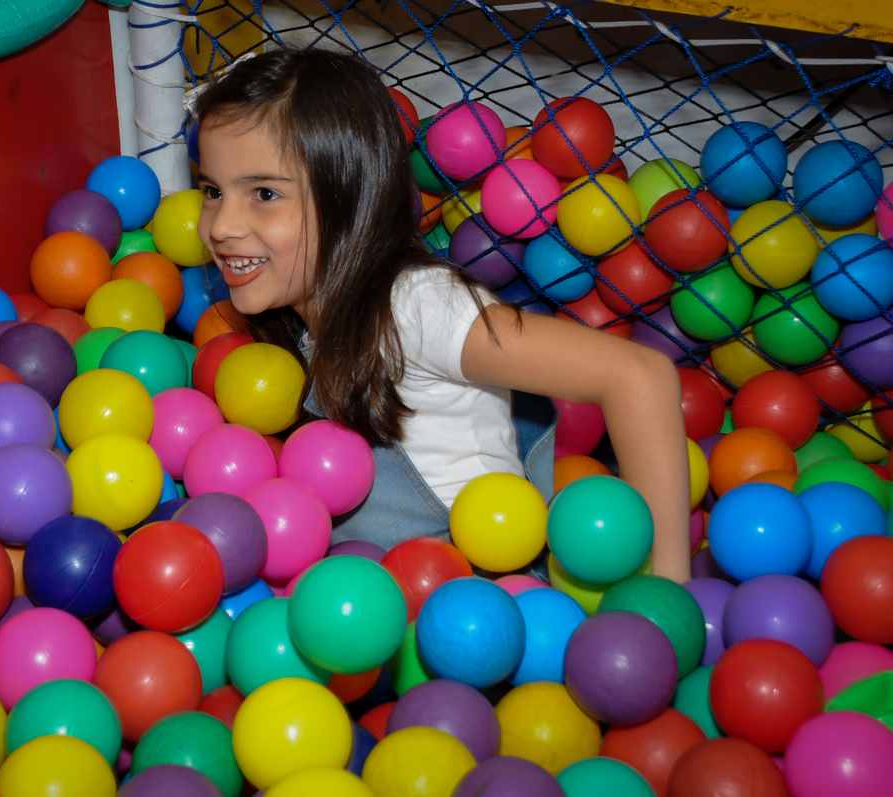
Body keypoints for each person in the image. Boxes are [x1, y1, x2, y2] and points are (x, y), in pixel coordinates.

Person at [192, 47, 691, 582]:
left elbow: (639, 375)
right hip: (361, 603)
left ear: (348, 198)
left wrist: (665, 597)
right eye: (213, 191)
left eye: (264, 193)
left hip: (478, 610)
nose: (222, 225)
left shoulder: (416, 306)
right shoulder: (296, 319)